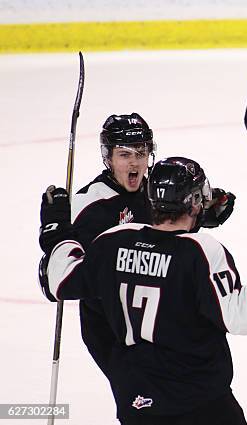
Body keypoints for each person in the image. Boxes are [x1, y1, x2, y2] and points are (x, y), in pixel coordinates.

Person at [38, 156, 247, 424]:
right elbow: (238, 316)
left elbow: (61, 280)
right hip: (199, 403)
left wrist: (57, 231)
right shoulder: (200, 252)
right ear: (191, 203)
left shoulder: (113, 241)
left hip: (136, 401)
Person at [38, 113, 235, 383]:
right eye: (124, 154)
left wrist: (202, 212)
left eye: (141, 152)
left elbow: (169, 235)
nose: (135, 162)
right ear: (108, 157)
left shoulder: (159, 187)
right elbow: (63, 277)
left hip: (163, 317)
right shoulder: (90, 206)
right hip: (113, 329)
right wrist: (55, 231)